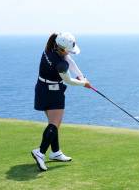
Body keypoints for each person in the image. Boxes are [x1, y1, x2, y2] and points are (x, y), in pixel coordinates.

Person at [31, 32, 92, 172]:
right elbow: (68, 80)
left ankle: (55, 152)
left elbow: (70, 61)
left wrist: (81, 76)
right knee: (54, 123)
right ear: (63, 48)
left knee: (53, 122)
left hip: (42, 88)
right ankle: (40, 152)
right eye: (68, 50)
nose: (69, 53)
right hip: (53, 91)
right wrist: (84, 84)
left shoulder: (50, 48)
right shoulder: (60, 64)